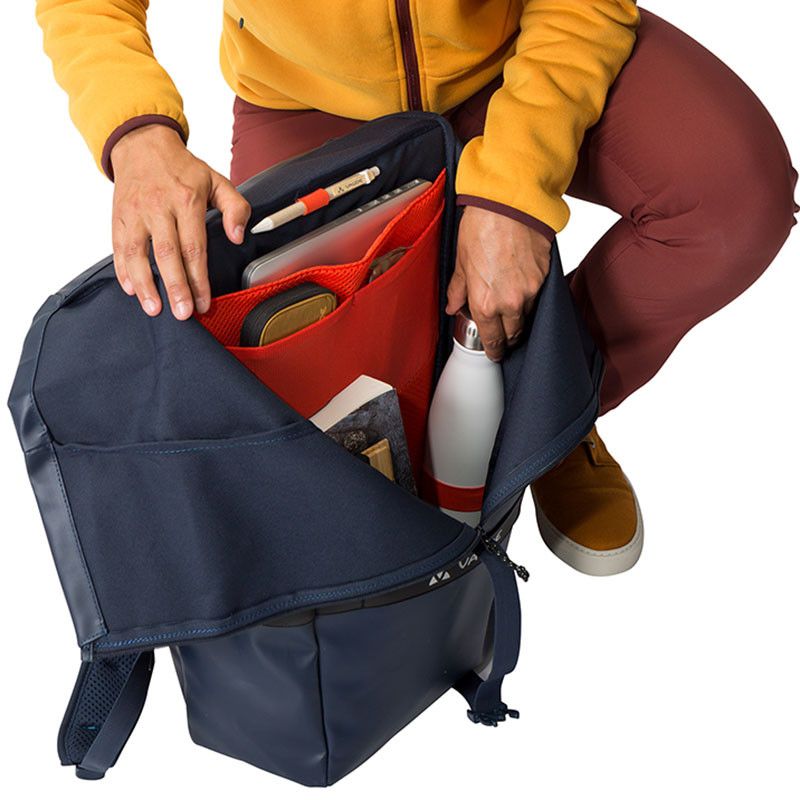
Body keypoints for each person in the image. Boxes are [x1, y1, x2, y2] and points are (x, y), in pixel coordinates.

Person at [36, 1, 797, 576]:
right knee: (303, 365)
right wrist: (135, 132)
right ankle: (505, 410)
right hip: (307, 93)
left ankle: (554, 407)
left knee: (733, 198)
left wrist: (513, 191)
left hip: (521, 44)